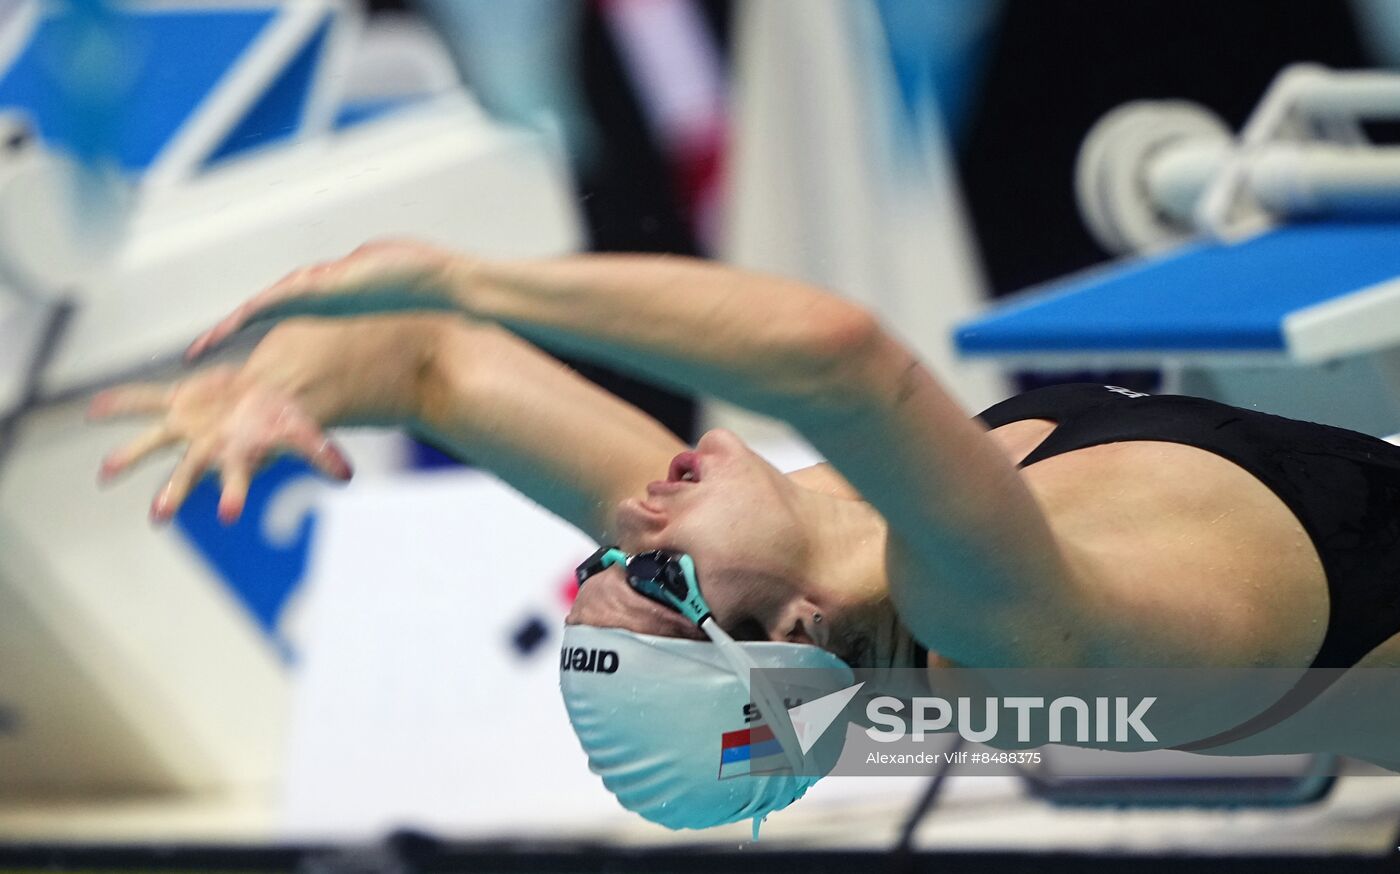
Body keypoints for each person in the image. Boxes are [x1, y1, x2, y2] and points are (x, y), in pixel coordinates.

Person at [89, 241, 1400, 827]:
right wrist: (465, 271)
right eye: (652, 571)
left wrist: (285, 382)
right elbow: (838, 355)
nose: (629, 516)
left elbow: (429, 367)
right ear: (794, 637)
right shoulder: (1008, 628)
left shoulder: (823, 552)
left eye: (607, 558)